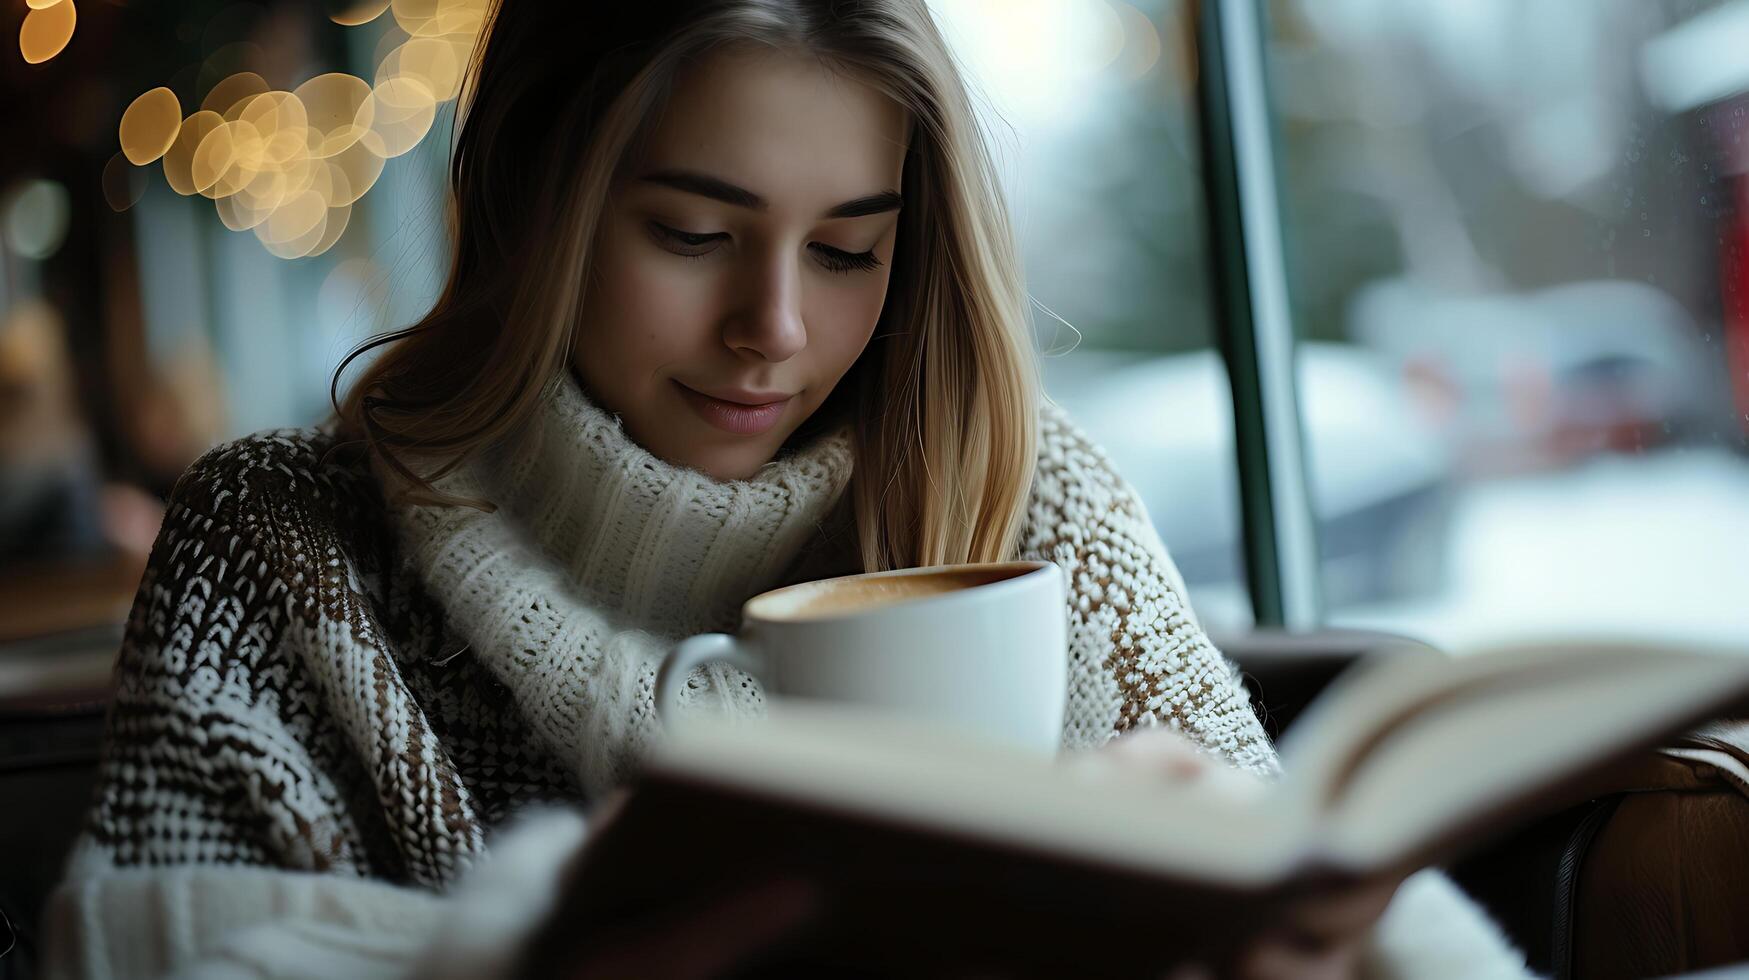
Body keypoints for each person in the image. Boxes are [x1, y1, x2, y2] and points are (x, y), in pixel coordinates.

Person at [41, 2, 1530, 977]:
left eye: (846, 250)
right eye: (693, 233)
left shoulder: (1025, 510)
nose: (778, 329)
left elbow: (1271, 868)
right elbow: (145, 953)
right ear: (524, 203)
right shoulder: (283, 538)